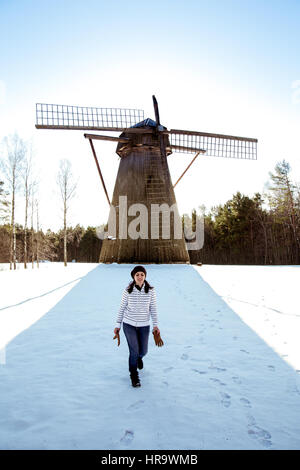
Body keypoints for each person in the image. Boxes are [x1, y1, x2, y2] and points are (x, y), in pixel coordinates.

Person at [114, 265, 160, 388]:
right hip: (129, 324)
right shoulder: (128, 290)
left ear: (145, 276)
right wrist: (118, 325)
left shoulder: (150, 290)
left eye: (142, 275)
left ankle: (140, 357)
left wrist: (155, 325)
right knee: (133, 351)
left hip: (144, 325)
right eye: (137, 275)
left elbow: (153, 308)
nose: (140, 277)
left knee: (143, 351)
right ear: (133, 276)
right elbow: (122, 307)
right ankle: (134, 375)